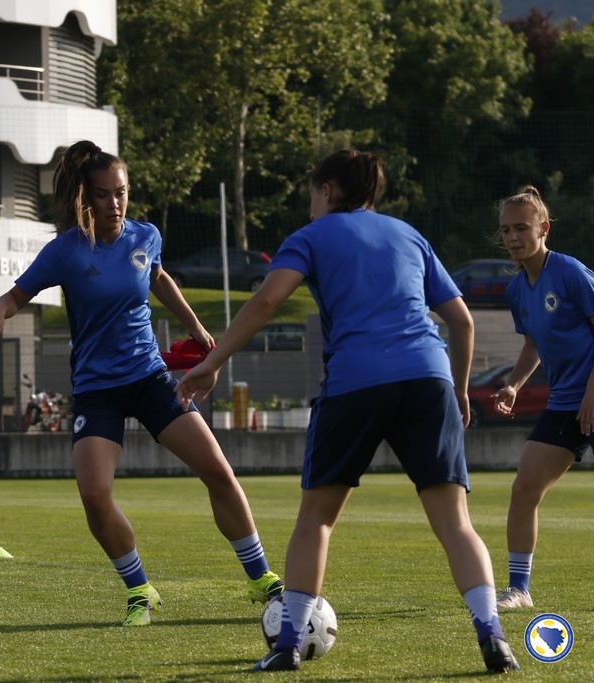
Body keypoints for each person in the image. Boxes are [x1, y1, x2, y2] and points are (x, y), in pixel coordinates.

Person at [175, 150, 518, 674]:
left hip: (356, 382)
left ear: (327, 190)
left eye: (312, 194)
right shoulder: (408, 234)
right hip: (428, 379)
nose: (311, 204)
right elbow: (462, 322)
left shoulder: (311, 237)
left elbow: (266, 302)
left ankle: (288, 645)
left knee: (317, 518)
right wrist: (458, 390)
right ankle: (492, 635)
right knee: (455, 523)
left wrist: (212, 362)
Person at [0, 140, 283, 627]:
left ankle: (260, 578)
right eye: (103, 194)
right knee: (94, 496)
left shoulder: (146, 235)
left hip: (151, 378)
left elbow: (157, 277)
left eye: (121, 192)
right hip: (97, 391)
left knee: (219, 472)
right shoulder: (66, 251)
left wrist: (196, 328)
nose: (114, 203)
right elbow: (16, 296)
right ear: (85, 197)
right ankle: (140, 590)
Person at [491, 186, 594, 610]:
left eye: (521, 228)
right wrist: (514, 384)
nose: (513, 237)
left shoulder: (570, 272)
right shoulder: (517, 289)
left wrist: (592, 393)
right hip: (566, 403)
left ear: (544, 228)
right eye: (506, 230)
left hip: (589, 396)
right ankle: (519, 589)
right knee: (524, 488)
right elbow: (533, 344)